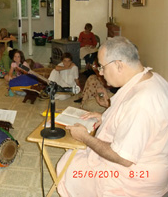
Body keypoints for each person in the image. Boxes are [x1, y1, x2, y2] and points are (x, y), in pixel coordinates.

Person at [56, 37, 168, 197]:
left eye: (102, 67)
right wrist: (104, 116)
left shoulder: (142, 102)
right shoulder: (152, 78)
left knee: (69, 166)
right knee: (77, 155)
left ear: (119, 65)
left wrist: (85, 137)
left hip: (136, 177)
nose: (100, 73)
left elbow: (123, 158)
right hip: (149, 164)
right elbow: (135, 122)